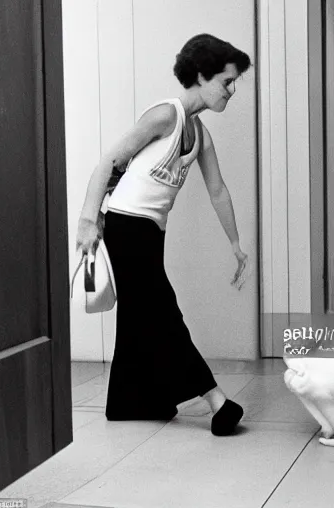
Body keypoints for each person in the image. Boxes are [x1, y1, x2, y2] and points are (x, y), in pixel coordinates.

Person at [76, 34, 251, 436]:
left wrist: (236, 245)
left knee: (139, 315)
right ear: (202, 76)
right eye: (227, 82)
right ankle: (216, 400)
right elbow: (110, 160)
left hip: (150, 234)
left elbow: (218, 190)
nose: (232, 90)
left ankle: (131, 402)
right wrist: (87, 220)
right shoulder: (165, 115)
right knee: (161, 309)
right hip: (125, 226)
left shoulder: (200, 133)